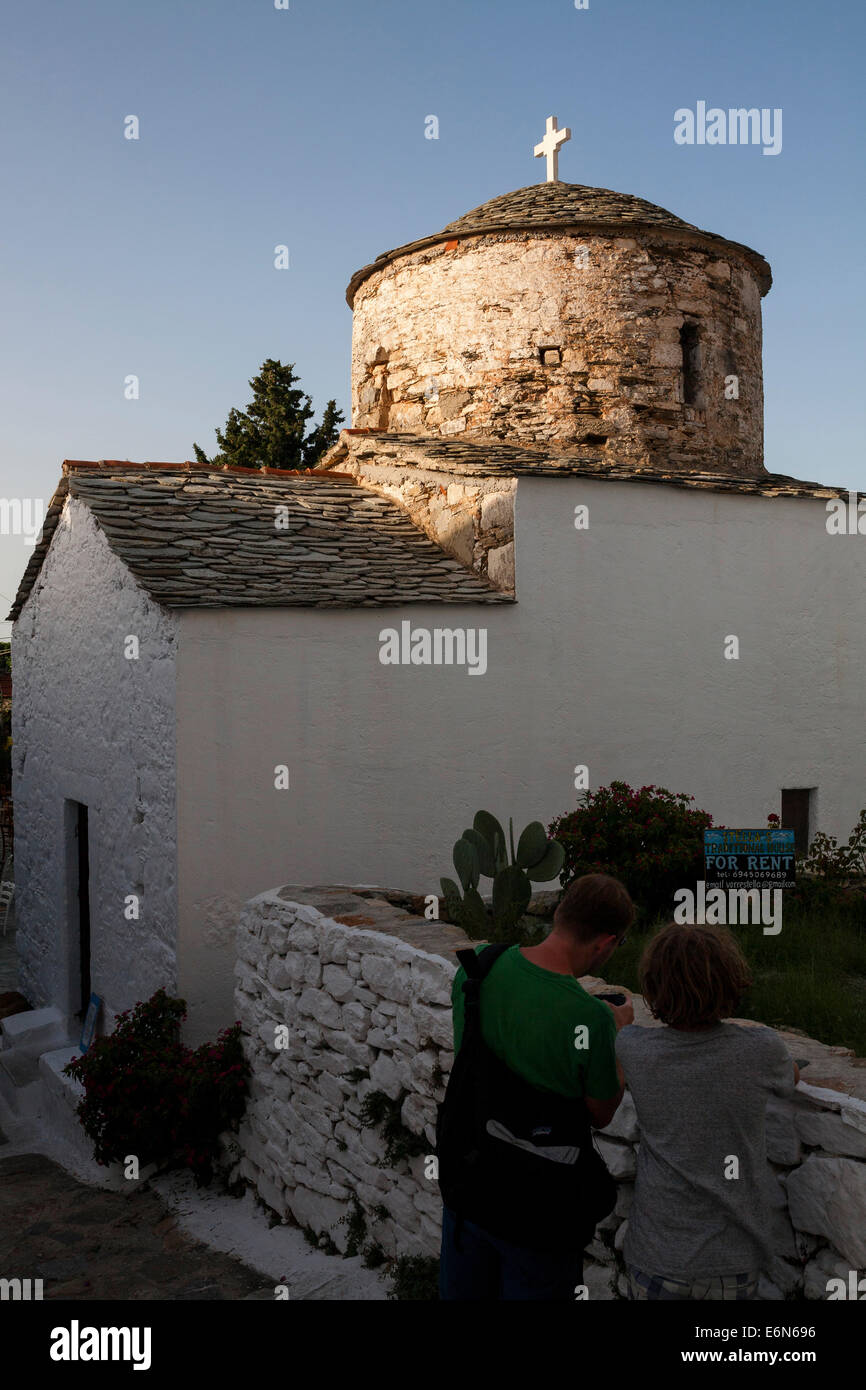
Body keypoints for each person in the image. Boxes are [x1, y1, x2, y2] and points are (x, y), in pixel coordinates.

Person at [439, 873, 636, 1300]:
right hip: (538, 1214)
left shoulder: (478, 968)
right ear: (605, 942)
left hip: (469, 1188)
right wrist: (615, 1031)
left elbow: (470, 1062)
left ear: (559, 914)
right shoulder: (591, 1018)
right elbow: (602, 1110)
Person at [616, 922, 800, 1301]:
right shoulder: (761, 1049)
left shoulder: (633, 1046)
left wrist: (620, 1023)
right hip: (731, 1260)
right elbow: (789, 1076)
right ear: (730, 980)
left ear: (654, 987)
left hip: (656, 1253)